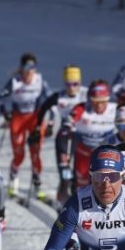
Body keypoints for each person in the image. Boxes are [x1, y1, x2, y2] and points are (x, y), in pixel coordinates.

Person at [0, 53, 50, 198]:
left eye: (32, 68)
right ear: (21, 68)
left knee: (35, 152)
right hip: (18, 118)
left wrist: (49, 121)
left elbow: (50, 100)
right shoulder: (15, 81)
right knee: (19, 154)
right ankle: (13, 178)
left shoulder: (39, 80)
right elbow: (1, 99)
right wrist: (5, 112)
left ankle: (37, 183)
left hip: (34, 118)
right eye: (26, 67)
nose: (29, 72)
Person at [34, 65, 88, 204]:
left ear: (80, 82)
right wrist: (38, 127)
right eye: (68, 84)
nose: (71, 88)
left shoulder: (86, 94)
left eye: (75, 84)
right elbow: (43, 109)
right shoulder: (59, 96)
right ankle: (61, 202)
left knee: (79, 174)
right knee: (65, 174)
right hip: (64, 138)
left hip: (81, 138)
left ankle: (78, 201)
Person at [66, 80, 117, 191]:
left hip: (104, 155)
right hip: (84, 153)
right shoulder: (82, 109)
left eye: (103, 101)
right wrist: (69, 123)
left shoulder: (114, 109)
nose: (99, 105)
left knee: (105, 181)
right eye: (95, 101)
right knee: (82, 183)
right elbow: (72, 117)